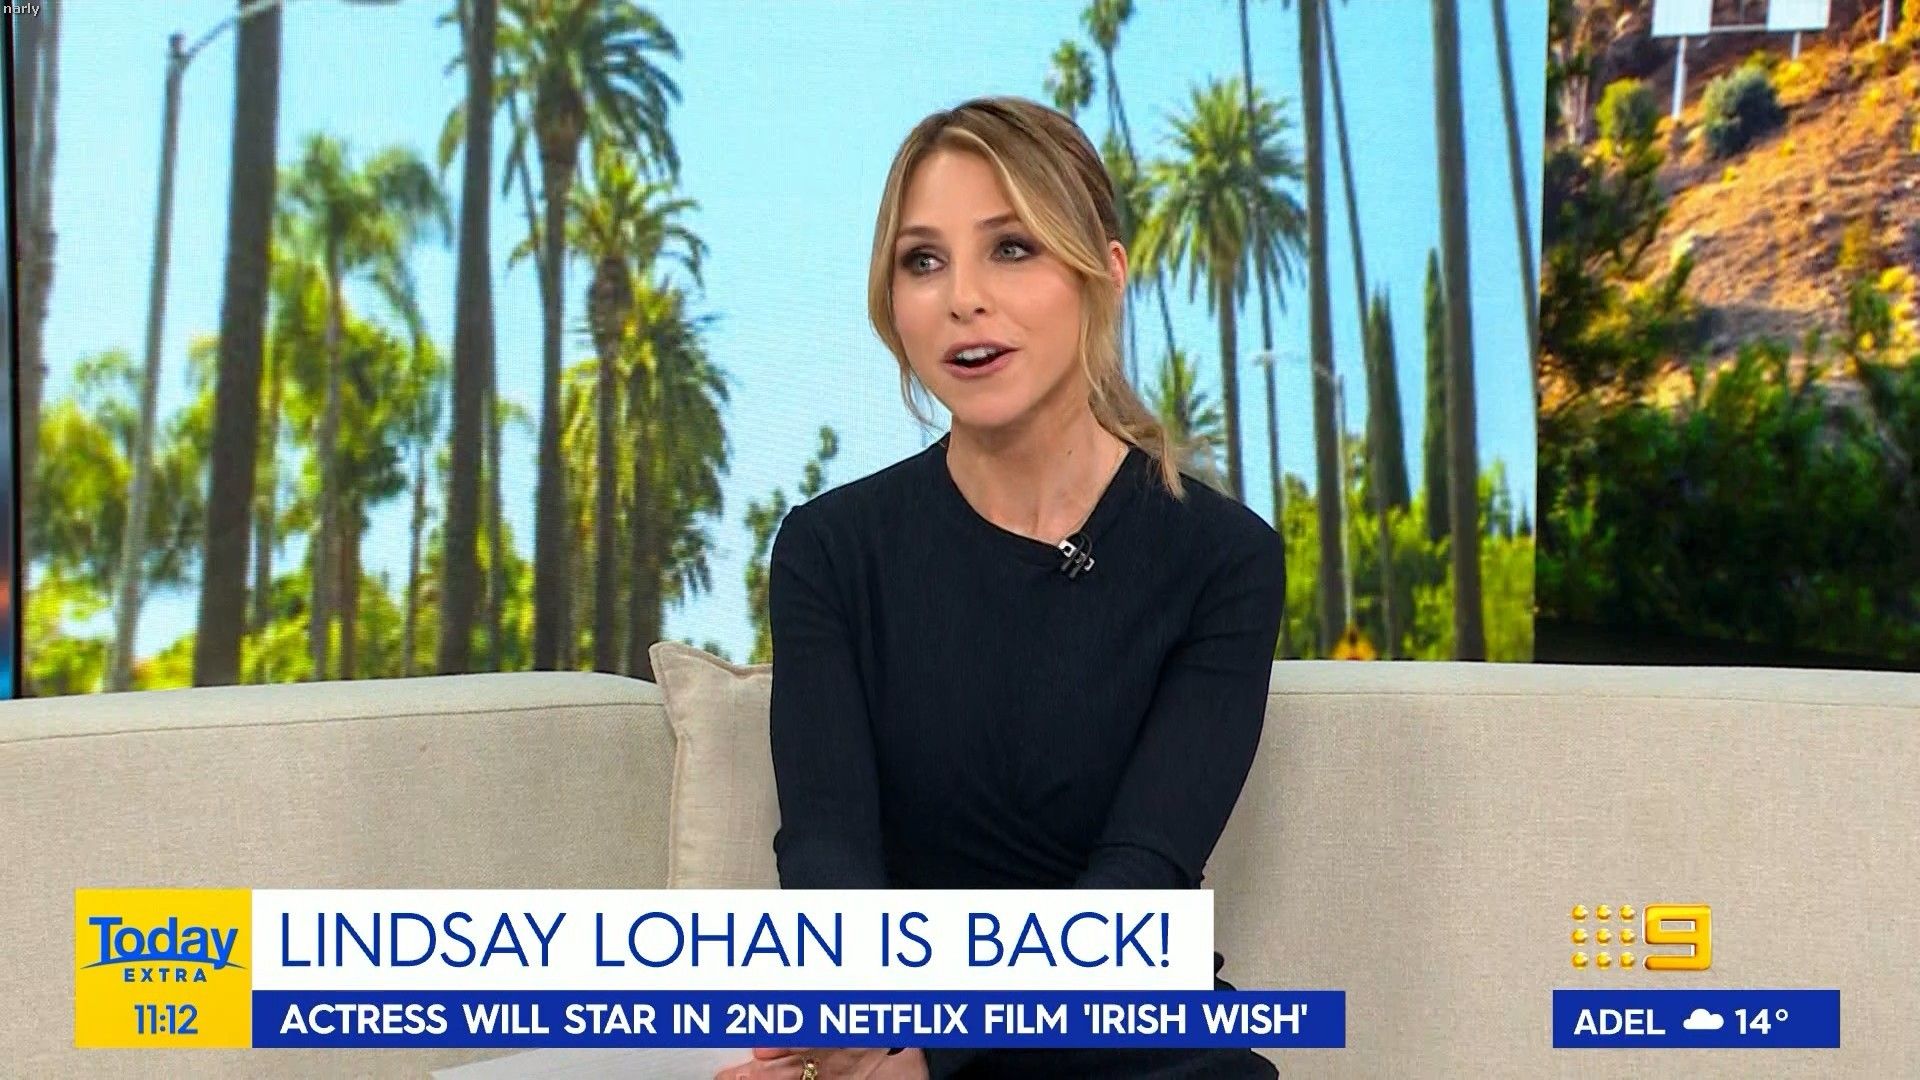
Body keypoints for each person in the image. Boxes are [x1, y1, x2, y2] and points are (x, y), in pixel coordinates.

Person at [717, 96, 1285, 1080]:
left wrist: (937, 1052)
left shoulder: (1223, 558)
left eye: (1011, 248)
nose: (962, 299)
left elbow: (1140, 881)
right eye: (922, 261)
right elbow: (827, 846)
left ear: (1104, 274)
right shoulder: (832, 550)